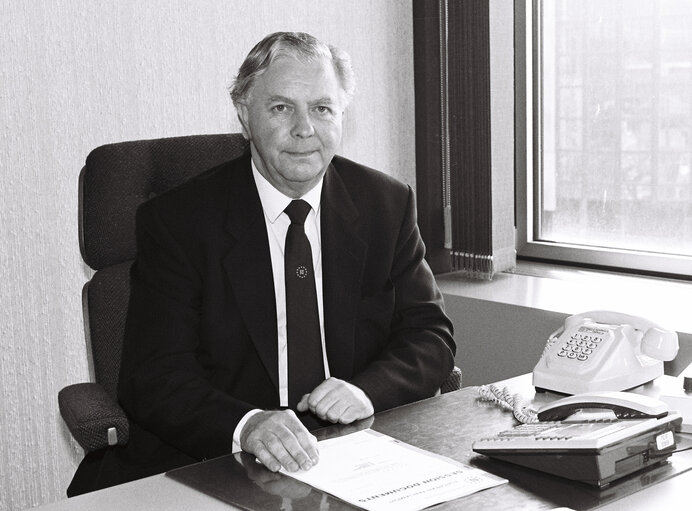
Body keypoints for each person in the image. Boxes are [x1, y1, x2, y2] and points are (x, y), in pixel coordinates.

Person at [68, 31, 455, 496]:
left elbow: (429, 336)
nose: (304, 129)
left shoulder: (386, 205)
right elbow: (153, 375)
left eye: (322, 108)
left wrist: (367, 390)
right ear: (244, 116)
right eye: (280, 108)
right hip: (218, 460)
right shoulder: (179, 221)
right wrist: (248, 424)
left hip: (353, 458)